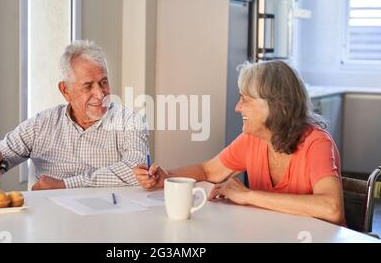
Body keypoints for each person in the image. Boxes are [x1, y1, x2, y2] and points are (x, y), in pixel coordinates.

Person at [134, 60, 345, 225]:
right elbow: (208, 171)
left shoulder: (316, 143)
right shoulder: (252, 140)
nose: (237, 107)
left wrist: (248, 196)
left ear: (276, 106)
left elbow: (332, 209)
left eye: (245, 100)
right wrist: (167, 177)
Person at [0, 40, 148, 190]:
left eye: (104, 82)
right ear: (65, 90)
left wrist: (65, 185)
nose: (100, 94)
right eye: (88, 86)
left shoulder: (130, 121)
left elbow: (137, 170)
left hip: (109, 220)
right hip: (48, 221)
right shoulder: (42, 124)